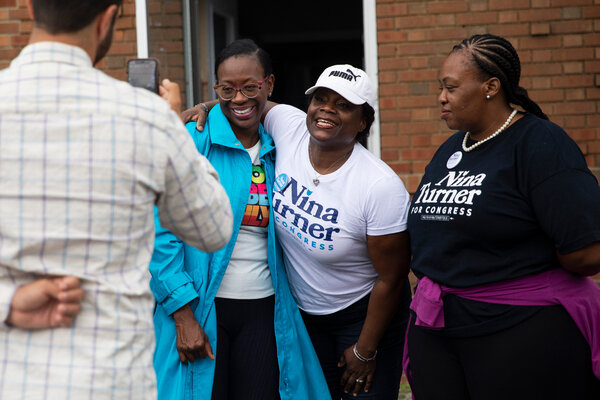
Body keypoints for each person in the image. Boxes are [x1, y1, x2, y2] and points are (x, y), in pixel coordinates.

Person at [0, 1, 233, 399]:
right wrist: (173, 128)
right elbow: (213, 229)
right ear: (108, 18)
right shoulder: (146, 118)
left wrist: (8, 301)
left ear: (27, 5)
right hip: (113, 378)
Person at [187, 63, 412, 399]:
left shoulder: (378, 187)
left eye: (343, 105)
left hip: (363, 317)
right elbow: (248, 100)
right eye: (321, 99)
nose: (327, 109)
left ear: (363, 120)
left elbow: (391, 279)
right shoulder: (289, 127)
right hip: (304, 316)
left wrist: (365, 349)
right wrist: (205, 107)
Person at [405, 33, 600, 400]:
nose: (441, 97)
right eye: (440, 87)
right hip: (440, 328)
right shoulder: (452, 148)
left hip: (517, 328)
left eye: (450, 87)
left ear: (490, 87)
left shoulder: (539, 143)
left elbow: (585, 250)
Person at [150, 39, 329, 400]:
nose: (239, 98)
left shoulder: (283, 145)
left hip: (265, 309)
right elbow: (159, 232)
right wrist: (183, 316)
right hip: (200, 307)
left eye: (251, 86)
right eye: (227, 89)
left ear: (270, 84)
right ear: (215, 89)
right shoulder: (193, 140)